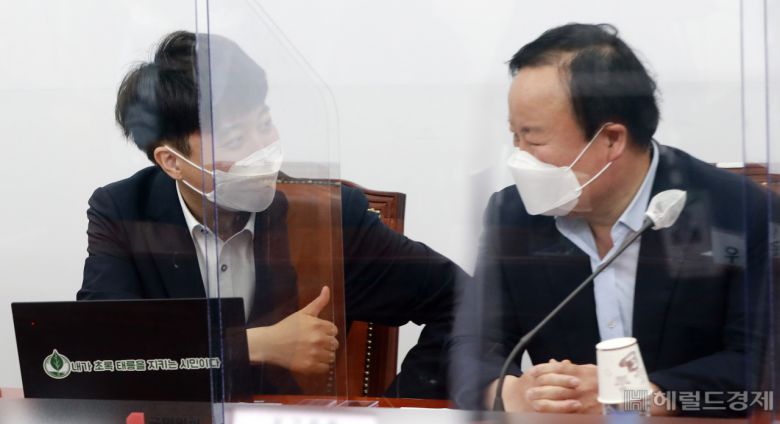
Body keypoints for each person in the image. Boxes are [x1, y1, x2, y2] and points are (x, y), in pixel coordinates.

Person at [78, 30, 463, 398]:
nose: (261, 150)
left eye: (264, 124)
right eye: (234, 139)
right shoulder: (124, 213)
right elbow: (98, 351)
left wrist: (395, 408)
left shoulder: (326, 220)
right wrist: (253, 344)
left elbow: (466, 300)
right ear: (172, 161)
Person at [449, 23, 772, 416]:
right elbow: (471, 345)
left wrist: (637, 395)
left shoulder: (740, 213)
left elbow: (760, 369)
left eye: (533, 140)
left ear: (612, 139)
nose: (519, 159)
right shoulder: (512, 215)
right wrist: (509, 391)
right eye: (515, 137)